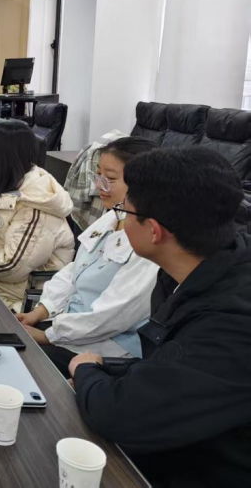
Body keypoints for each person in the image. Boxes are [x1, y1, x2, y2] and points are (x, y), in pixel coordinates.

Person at [69, 148, 251, 487]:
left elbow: (121, 416)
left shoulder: (231, 324)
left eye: (126, 211)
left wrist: (85, 370)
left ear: (154, 230)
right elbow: (172, 368)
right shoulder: (205, 265)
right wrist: (104, 370)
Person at [15, 137, 159, 377]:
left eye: (110, 179)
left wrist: (48, 336)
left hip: (106, 346)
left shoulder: (148, 243)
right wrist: (41, 311)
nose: (98, 185)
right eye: (98, 175)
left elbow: (112, 316)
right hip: (69, 326)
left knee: (24, 365)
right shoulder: (112, 217)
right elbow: (75, 270)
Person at [0, 120, 74, 310]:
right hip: (8, 284)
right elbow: (1, 238)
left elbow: (11, 266)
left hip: (27, 296)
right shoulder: (15, 187)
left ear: (1, 160)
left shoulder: (35, 206)